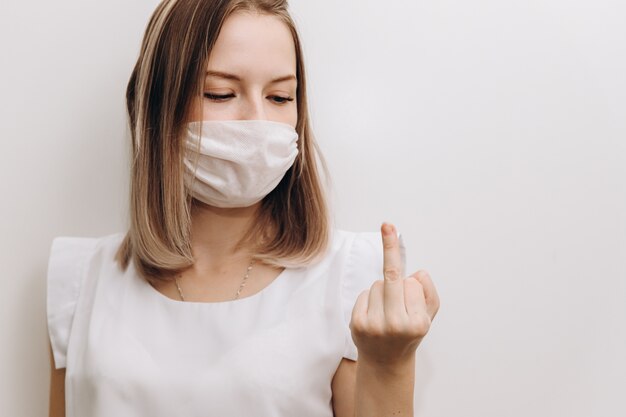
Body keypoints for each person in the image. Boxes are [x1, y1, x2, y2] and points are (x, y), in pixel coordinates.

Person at [46, 1, 440, 416]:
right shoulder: (79, 282)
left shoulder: (352, 279)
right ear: (160, 107)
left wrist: (391, 364)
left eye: (280, 96)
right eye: (221, 93)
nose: (258, 121)